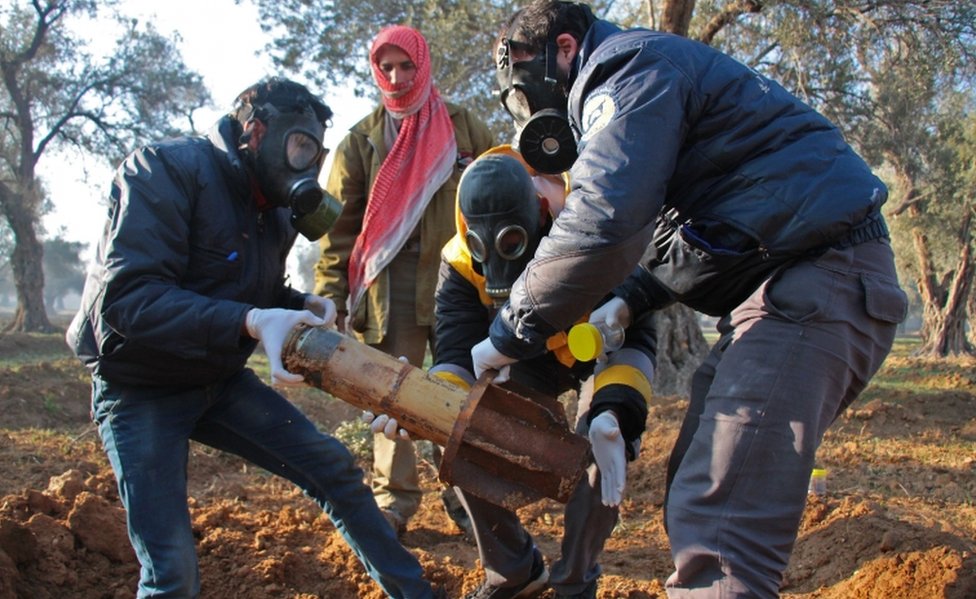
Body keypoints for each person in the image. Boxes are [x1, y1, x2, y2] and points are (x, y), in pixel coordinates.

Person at [472, 2, 910, 598]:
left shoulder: (625, 68)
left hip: (821, 278)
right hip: (787, 282)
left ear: (565, 50)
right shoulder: (650, 75)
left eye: (523, 88)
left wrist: (506, 336)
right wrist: (626, 302)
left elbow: (604, 221)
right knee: (692, 482)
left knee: (720, 522)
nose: (528, 112)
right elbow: (721, 223)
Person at [66, 76, 442, 599]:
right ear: (256, 130)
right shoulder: (165, 170)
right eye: (300, 146)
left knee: (333, 468)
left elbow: (245, 286)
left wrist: (296, 304)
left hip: (216, 379)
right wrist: (251, 321)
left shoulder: (275, 209)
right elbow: (128, 302)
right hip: (138, 387)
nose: (307, 165)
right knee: (172, 571)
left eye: (315, 152)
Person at [429, 147, 657, 599]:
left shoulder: (601, 227)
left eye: (512, 243)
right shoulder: (458, 260)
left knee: (603, 446)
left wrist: (616, 411)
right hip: (518, 359)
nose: (495, 259)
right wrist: (433, 404)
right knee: (459, 430)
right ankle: (513, 571)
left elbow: (637, 337)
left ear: (540, 211)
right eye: (483, 246)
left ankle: (575, 581)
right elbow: (453, 349)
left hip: (597, 351)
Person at [313, 24, 494, 536]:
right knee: (389, 397)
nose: (396, 76)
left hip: (458, 289)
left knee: (461, 397)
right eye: (385, 66)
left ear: (424, 65)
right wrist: (331, 299)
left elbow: (504, 193)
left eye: (405, 65)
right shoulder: (361, 140)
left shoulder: (464, 129)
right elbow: (337, 230)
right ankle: (394, 504)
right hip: (388, 295)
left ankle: (470, 505)